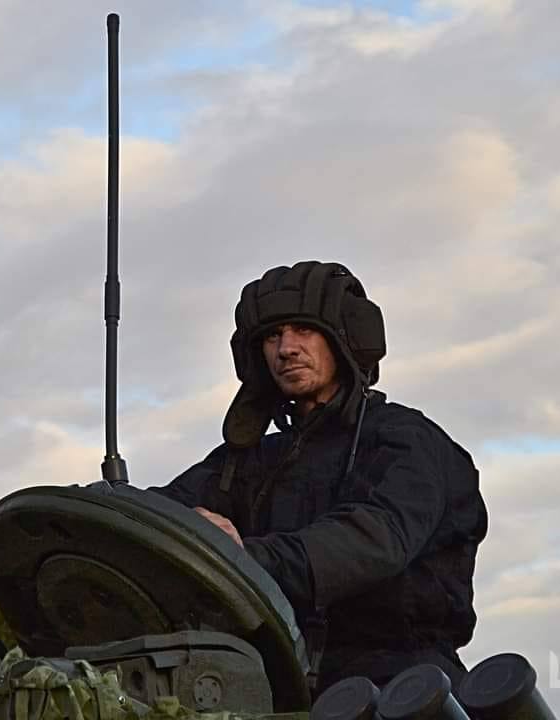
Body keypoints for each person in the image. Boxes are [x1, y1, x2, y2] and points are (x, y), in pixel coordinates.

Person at [150, 261, 487, 694]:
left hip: (399, 681)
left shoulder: (407, 441)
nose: (286, 348)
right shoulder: (249, 462)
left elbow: (375, 538)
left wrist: (242, 557)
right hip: (279, 685)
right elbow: (154, 512)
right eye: (272, 336)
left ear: (345, 338)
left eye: (304, 330)